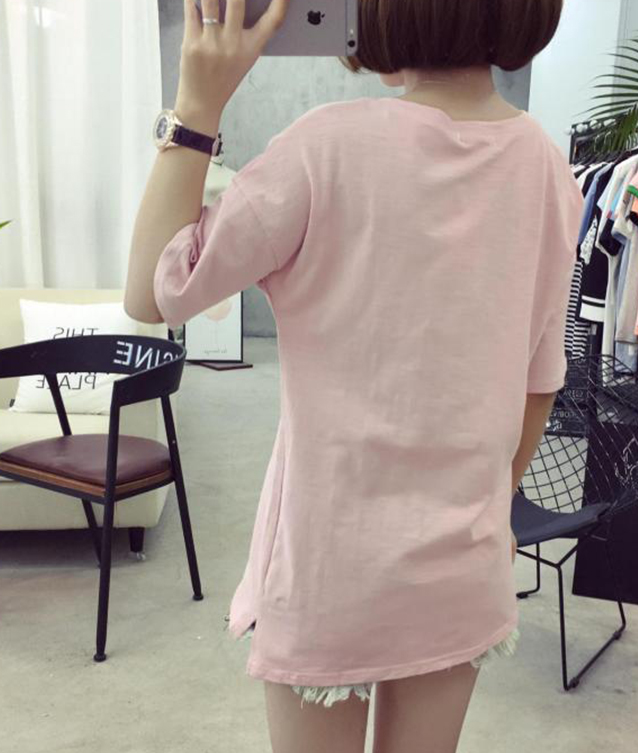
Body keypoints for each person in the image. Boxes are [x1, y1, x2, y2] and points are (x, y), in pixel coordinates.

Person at [125, 0, 580, 751]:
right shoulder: (543, 163)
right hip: (462, 559)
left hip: (329, 564)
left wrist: (195, 110)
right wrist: (492, 504)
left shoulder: (324, 147)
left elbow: (154, 292)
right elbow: (540, 381)